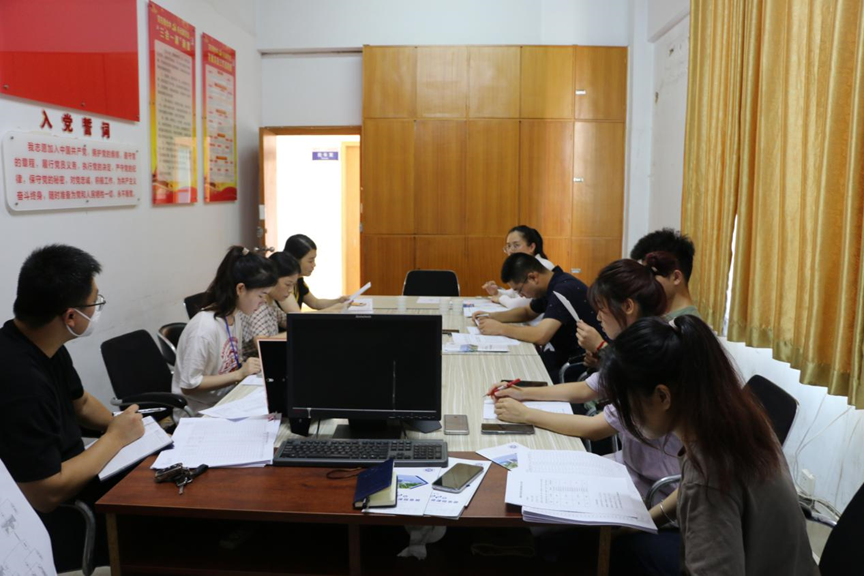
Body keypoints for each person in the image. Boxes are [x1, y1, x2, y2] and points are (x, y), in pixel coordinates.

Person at [602, 316, 818, 575]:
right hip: (789, 564)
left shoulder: (708, 472)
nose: (626, 415)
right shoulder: (738, 420)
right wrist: (645, 520)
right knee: (630, 546)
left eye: (627, 404)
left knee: (619, 555)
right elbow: (688, 491)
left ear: (662, 396)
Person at [0, 244, 145, 571]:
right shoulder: (20, 382)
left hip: (78, 476)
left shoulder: (41, 342)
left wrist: (121, 424)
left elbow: (80, 403)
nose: (97, 308)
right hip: (61, 519)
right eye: (95, 302)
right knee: (156, 523)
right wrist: (115, 438)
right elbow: (45, 494)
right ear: (70, 317)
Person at [489, 257, 682, 500]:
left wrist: (525, 414)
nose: (598, 318)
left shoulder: (650, 353)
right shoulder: (637, 343)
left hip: (655, 483)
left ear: (628, 306)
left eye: (601, 309)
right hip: (633, 465)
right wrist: (522, 393)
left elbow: (595, 428)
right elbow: (587, 388)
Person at [172, 246, 277, 412]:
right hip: (202, 412)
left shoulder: (235, 316)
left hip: (228, 400)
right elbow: (188, 385)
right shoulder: (204, 329)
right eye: (261, 295)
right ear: (240, 289)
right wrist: (239, 374)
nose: (263, 301)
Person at [473, 253, 601, 381]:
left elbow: (541, 336)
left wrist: (500, 328)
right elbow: (527, 312)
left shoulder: (564, 290)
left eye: (519, 290)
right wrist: (491, 316)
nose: (521, 295)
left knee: (514, 376)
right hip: (561, 356)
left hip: (579, 365)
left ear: (533, 277)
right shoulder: (552, 284)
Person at [481, 225, 558, 309]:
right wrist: (496, 292)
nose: (510, 251)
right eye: (508, 246)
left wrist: (500, 298)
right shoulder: (522, 266)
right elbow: (514, 293)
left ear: (531, 247)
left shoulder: (544, 265)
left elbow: (520, 304)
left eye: (516, 245)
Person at [240, 251, 301, 357]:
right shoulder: (258, 305)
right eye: (288, 284)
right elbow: (262, 344)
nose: (291, 290)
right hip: (253, 365)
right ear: (272, 278)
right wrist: (296, 334)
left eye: (293, 285)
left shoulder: (270, 302)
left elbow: (289, 322)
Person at [630, 228, 698, 320]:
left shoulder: (685, 325)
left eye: (652, 273)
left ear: (676, 277)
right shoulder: (660, 317)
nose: (646, 280)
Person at [283, 234, 348, 310]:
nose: (314, 265)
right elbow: (296, 315)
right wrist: (334, 310)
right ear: (295, 260)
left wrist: (339, 301)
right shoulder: (283, 283)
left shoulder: (298, 280)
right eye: (310, 261)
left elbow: (315, 303)